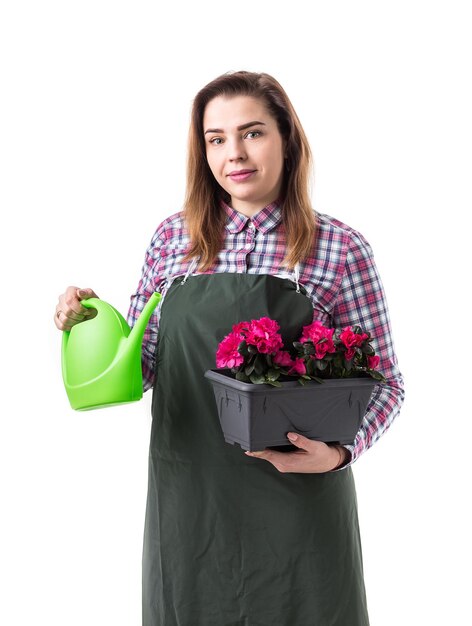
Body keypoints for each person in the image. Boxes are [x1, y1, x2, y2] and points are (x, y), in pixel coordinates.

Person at [55, 70, 405, 626]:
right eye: (216, 139)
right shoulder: (174, 238)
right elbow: (143, 366)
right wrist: (89, 323)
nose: (234, 154)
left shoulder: (338, 247)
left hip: (299, 499)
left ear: (287, 139)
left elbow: (384, 383)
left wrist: (340, 453)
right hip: (191, 502)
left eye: (252, 133)